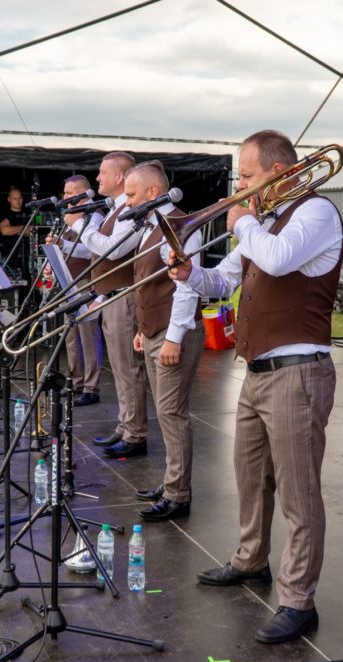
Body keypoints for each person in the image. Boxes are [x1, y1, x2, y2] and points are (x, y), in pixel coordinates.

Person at [169, 130, 343, 644]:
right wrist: (188, 275)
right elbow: (223, 281)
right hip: (256, 373)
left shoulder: (316, 212)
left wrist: (243, 220)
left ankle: (298, 600)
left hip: (298, 372)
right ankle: (251, 560)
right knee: (250, 478)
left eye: (245, 176)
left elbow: (278, 259)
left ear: (276, 171)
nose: (239, 186)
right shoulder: (262, 224)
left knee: (298, 492)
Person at [119, 162, 205, 521]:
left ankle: (178, 494)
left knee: (172, 413)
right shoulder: (151, 225)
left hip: (175, 333)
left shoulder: (180, 226)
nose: (126, 202)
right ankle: (172, 480)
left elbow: (185, 288)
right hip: (157, 330)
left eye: (132, 194)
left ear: (153, 193)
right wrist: (144, 329)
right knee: (165, 413)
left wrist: (172, 338)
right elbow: (150, 282)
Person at [81, 152, 149, 457]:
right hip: (111, 296)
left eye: (102, 172)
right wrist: (99, 295)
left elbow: (113, 250)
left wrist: (83, 228)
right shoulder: (115, 209)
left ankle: (135, 433)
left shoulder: (130, 210)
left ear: (120, 176)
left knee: (127, 368)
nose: (97, 178)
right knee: (120, 369)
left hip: (124, 298)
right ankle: (125, 425)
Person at [53, 174, 104, 407]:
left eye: (70, 193)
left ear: (83, 193)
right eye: (64, 192)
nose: (65, 197)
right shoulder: (70, 216)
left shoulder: (94, 216)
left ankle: (91, 386)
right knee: (71, 334)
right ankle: (75, 381)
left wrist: (63, 245)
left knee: (88, 334)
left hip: (85, 281)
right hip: (70, 281)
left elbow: (92, 250)